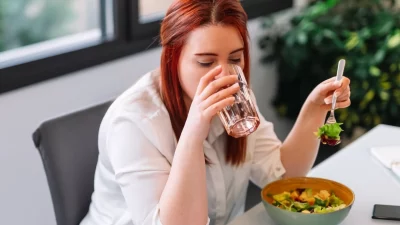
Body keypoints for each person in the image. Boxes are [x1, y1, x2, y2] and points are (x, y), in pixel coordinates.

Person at [80, 1, 351, 225]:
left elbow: (282, 178)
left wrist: (316, 108)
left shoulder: (238, 98)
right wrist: (195, 130)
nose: (225, 75)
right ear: (172, 61)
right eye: (206, 62)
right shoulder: (133, 122)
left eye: (235, 59)